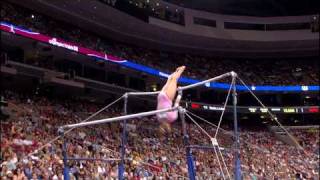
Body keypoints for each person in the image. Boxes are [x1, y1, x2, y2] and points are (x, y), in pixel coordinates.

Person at [156, 66, 185, 133]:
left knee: (174, 79)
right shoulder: (159, 119)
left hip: (167, 97)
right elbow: (176, 104)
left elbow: (176, 104)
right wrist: (180, 93)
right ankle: (177, 71)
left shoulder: (172, 118)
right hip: (161, 96)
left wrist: (180, 93)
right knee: (170, 79)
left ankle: (181, 69)